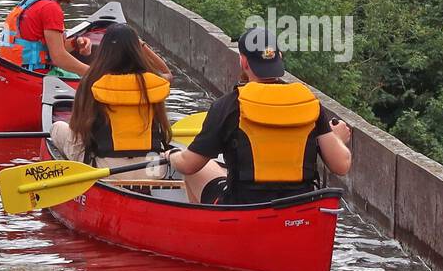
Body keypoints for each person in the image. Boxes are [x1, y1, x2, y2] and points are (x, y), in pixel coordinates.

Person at [168, 27, 353, 204]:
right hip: (298, 210)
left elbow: (188, 165)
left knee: (200, 170)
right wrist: (336, 138)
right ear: (279, 57)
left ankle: (204, 231)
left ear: (243, 62)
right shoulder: (309, 103)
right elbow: (341, 166)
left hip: (243, 211)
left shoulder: (228, 106)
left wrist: (172, 155)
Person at [50, 24, 173, 179]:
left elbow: (78, 128)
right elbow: (168, 73)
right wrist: (141, 44)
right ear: (137, 50)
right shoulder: (155, 83)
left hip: (107, 172)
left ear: (104, 51)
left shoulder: (92, 81)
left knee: (57, 128)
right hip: (152, 170)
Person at [0, 0, 96, 76]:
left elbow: (50, 49)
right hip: (36, 75)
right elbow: (58, 57)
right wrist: (94, 74)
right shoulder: (51, 8)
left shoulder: (33, 0)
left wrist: (75, 43)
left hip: (13, 71)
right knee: (88, 80)